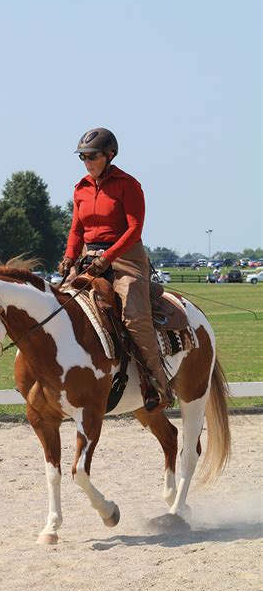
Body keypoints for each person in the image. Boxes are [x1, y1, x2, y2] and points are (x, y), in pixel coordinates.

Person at [58, 127, 173, 410]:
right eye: (82, 157)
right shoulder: (80, 188)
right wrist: (69, 257)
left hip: (125, 259)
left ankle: (157, 382)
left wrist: (107, 258)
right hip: (88, 259)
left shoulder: (128, 185)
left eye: (91, 156)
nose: (87, 161)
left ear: (109, 155)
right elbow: (76, 229)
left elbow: (134, 229)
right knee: (57, 304)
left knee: (134, 317)